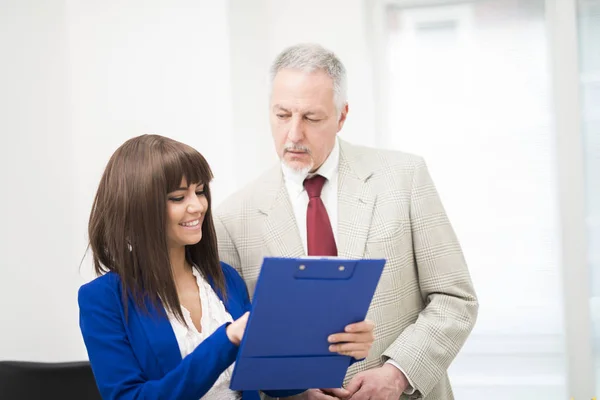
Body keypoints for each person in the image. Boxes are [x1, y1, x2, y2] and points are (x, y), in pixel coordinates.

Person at [214, 43, 479, 400]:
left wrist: (397, 373)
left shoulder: (404, 178)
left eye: (311, 117)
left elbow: (455, 298)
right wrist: (297, 393)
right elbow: (241, 346)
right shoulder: (232, 218)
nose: (293, 134)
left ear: (342, 116)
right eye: (282, 115)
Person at [77, 134, 374, 400]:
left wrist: (338, 348)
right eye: (178, 197)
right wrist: (227, 339)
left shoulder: (224, 279)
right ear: (138, 208)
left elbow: (271, 384)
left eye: (200, 191)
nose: (198, 206)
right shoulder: (103, 300)